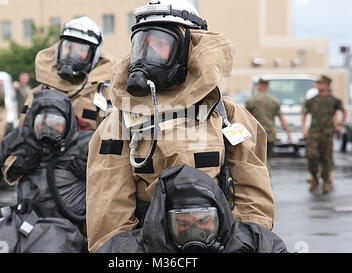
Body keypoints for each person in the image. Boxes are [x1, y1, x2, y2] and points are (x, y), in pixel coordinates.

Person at [86, 0, 275, 253]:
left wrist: (242, 244)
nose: (147, 55)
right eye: (142, 45)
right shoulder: (120, 122)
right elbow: (108, 210)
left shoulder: (226, 114)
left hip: (220, 244)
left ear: (190, 49)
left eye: (159, 45)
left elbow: (253, 194)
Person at [0, 89, 92, 253]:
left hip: (63, 224)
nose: (48, 129)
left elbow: (113, 182)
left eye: (55, 124)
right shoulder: (21, 139)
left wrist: (96, 237)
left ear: (68, 123)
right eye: (42, 122)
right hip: (22, 219)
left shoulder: (86, 144)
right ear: (32, 121)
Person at [2, 16, 116, 186]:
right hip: (40, 183)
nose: (71, 55)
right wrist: (19, 162)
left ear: (93, 55)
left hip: (83, 186)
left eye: (80, 50)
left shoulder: (106, 95)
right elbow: (21, 136)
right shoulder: (39, 93)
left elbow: (113, 149)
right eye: (67, 48)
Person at [97, 165, 288, 253]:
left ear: (220, 216)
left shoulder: (253, 242)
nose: (195, 230)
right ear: (164, 222)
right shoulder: (128, 249)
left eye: (204, 221)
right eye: (182, 223)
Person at [302, 75, 347, 194]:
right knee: (311, 156)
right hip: (313, 133)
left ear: (327, 85)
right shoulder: (312, 100)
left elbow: (344, 110)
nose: (319, 85)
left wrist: (340, 125)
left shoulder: (333, 100)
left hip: (327, 134)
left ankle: (326, 182)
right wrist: (304, 129)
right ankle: (315, 178)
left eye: (321, 83)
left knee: (326, 159)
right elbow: (304, 113)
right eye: (318, 83)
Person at [246, 79, 292, 172]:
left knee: (258, 158)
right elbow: (282, 118)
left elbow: (246, 118)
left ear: (258, 87)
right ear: (267, 87)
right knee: (268, 158)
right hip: (270, 134)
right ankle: (267, 176)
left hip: (257, 134)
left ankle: (262, 179)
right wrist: (288, 134)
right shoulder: (274, 100)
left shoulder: (251, 101)